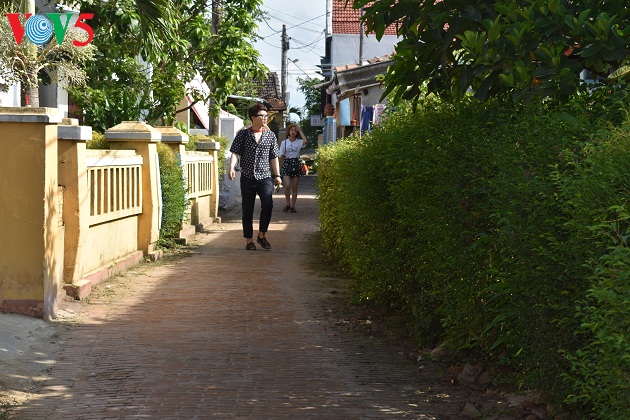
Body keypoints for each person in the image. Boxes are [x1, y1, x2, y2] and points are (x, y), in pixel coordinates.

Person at [228, 103, 282, 250]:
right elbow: (235, 152)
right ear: (253, 118)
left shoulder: (270, 135)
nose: (265, 118)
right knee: (248, 208)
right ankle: (249, 240)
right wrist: (231, 167)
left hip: (265, 176)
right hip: (247, 176)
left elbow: (274, 157)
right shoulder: (243, 134)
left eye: (266, 116)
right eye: (262, 116)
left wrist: (277, 175)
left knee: (268, 205)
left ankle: (261, 235)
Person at [279, 124, 307, 213]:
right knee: (287, 185)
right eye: (291, 130)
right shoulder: (284, 142)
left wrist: (301, 131)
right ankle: (287, 204)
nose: (293, 132)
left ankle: (293, 206)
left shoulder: (299, 142)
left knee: (294, 187)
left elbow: (305, 141)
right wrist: (282, 156)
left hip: (296, 164)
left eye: (295, 130)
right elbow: (280, 155)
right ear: (288, 131)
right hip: (287, 163)